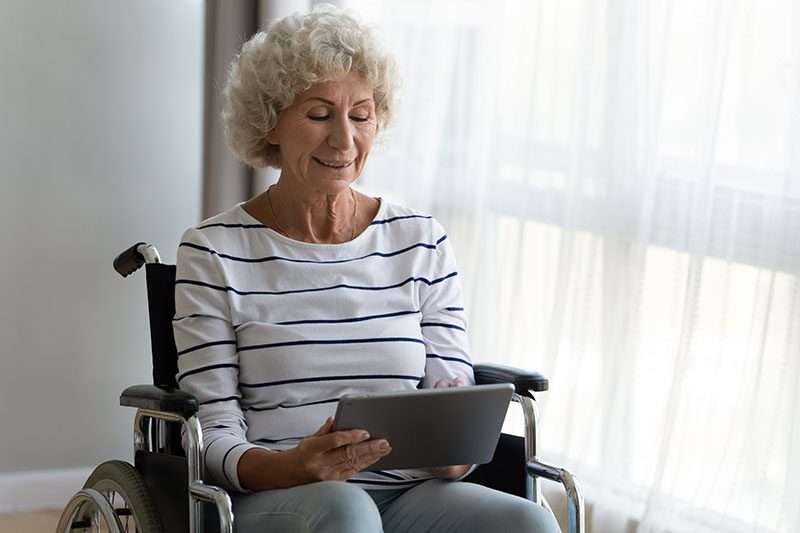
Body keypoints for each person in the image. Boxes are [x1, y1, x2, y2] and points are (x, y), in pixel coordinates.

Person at [174, 4, 560, 532]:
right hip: (280, 495)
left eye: (361, 115)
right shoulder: (214, 251)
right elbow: (210, 437)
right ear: (270, 123)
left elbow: (451, 398)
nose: (344, 140)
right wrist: (293, 465)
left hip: (410, 491)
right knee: (347, 510)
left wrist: (456, 450)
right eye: (318, 115)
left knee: (527, 523)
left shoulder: (419, 240)